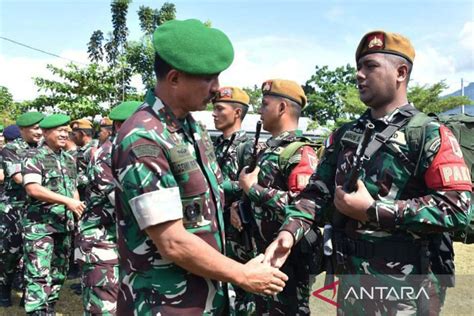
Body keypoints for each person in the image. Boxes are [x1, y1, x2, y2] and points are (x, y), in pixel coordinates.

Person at [278, 30, 472, 315]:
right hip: (352, 284)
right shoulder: (346, 134)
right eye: (358, 66)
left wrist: (374, 209)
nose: (359, 74)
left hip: (407, 291)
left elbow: (458, 208)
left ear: (401, 72)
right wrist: (289, 232)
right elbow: (316, 194)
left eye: (370, 66)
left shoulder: (428, 134)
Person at [112, 19, 287, 315]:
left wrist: (247, 187)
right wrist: (243, 275)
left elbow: (208, 192)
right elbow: (172, 241)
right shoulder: (143, 139)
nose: (217, 89)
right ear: (175, 78)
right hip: (164, 303)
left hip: (206, 295)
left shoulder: (191, 130)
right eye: (209, 78)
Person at [237, 79, 319, 315]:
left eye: (264, 104)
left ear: (282, 108)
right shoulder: (266, 150)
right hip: (262, 253)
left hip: (289, 262)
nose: (259, 110)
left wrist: (254, 190)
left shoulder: (300, 152)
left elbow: (305, 205)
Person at [76, 101, 141, 315]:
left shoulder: (132, 152)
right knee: (103, 307)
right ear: (122, 126)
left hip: (125, 240)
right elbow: (120, 200)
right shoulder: (106, 155)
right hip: (102, 243)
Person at [22, 114, 85, 315]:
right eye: (60, 131)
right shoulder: (33, 156)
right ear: (47, 132)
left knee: (59, 275)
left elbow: (73, 188)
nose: (65, 134)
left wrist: (77, 210)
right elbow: (33, 188)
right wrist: (67, 201)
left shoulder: (68, 159)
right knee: (39, 274)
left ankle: (49, 309)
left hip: (63, 226)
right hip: (40, 227)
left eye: (67, 131)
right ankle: (37, 311)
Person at [212, 86, 256, 314]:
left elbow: (249, 185)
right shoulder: (213, 144)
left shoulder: (249, 146)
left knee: (242, 292)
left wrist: (218, 189)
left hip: (237, 231)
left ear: (237, 113)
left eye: (220, 108)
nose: (214, 113)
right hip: (215, 226)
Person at [0, 113, 44, 307]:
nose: (39, 132)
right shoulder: (11, 148)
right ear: (22, 129)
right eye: (35, 128)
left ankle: (29, 294)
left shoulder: (43, 148)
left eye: (40, 128)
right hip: (14, 208)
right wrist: (42, 182)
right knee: (10, 252)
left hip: (36, 207)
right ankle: (3, 288)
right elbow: (18, 178)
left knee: (33, 253)